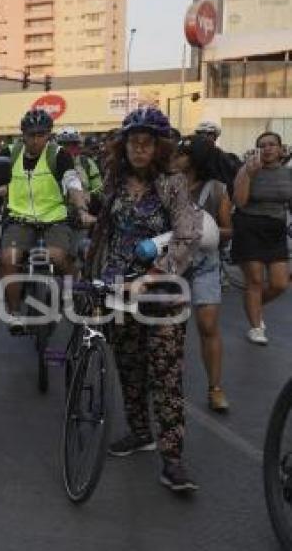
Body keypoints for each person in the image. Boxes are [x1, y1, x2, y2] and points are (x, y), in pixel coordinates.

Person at [86, 107, 203, 492]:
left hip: (164, 292)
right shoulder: (114, 181)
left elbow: (187, 237)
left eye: (147, 143)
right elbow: (102, 224)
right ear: (124, 146)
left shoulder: (173, 184)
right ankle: (140, 433)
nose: (139, 149)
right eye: (133, 142)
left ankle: (173, 460)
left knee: (166, 376)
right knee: (129, 367)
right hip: (119, 289)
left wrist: (153, 277)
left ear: (159, 146)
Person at [0, 109, 93, 332]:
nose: (36, 140)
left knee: (58, 256)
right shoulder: (9, 153)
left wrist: (81, 209)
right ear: (23, 135)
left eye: (42, 135)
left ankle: (72, 294)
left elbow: (72, 184)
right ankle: (14, 313)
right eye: (31, 135)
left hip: (54, 218)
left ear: (49, 135)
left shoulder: (58, 154)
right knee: (7, 258)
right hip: (19, 218)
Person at [173, 135, 233, 411]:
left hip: (204, 265)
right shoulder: (168, 185)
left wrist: (206, 230)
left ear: (195, 158)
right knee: (169, 330)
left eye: (183, 152)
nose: (176, 156)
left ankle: (215, 388)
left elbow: (228, 230)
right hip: (172, 263)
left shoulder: (218, 190)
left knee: (208, 326)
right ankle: (166, 384)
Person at [231, 131, 292, 345]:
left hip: (275, 229)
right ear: (257, 149)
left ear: (280, 149)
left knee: (280, 284)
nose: (267, 149)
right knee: (255, 280)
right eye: (262, 145)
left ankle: (252, 304)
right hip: (249, 227)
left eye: (272, 145)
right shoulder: (246, 169)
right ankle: (256, 328)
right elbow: (239, 200)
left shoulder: (288, 173)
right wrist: (249, 173)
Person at [195, 120, 242, 196]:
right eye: (200, 133)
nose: (204, 137)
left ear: (215, 137)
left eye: (209, 134)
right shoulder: (191, 155)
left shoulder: (227, 157)